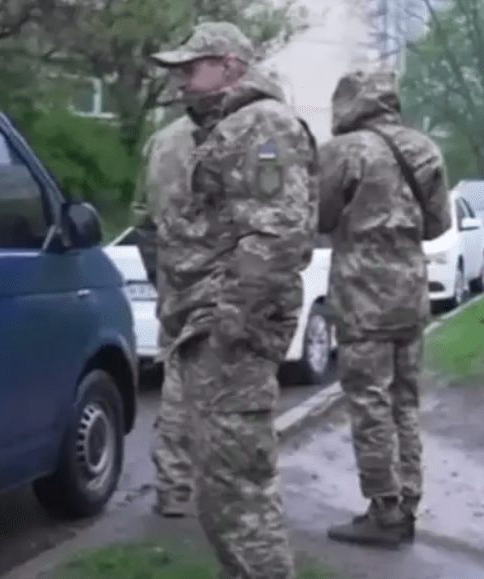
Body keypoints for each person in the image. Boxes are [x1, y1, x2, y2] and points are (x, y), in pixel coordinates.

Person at [150, 22, 317, 579]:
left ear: (230, 66)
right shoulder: (228, 125)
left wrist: (228, 325)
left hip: (231, 334)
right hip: (211, 323)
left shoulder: (261, 124)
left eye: (191, 68)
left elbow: (276, 234)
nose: (181, 81)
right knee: (223, 489)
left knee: (238, 495)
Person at [318, 70, 451, 546]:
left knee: (369, 403)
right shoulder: (425, 149)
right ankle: (408, 501)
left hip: (362, 298)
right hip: (410, 295)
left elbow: (320, 217)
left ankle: (384, 510)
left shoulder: (342, 152)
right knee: (404, 403)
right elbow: (438, 225)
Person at [131, 113, 198, 518]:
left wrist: (163, 271)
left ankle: (173, 487)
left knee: (178, 376)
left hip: (176, 279)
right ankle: (229, 489)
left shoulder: (162, 140)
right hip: (234, 282)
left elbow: (141, 216)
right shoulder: (250, 131)